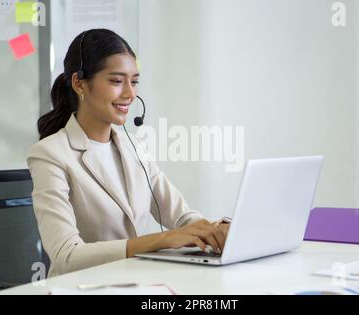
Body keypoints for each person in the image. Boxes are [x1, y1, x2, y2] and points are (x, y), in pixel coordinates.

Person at [27, 29, 229, 277]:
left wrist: (214, 230)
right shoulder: (50, 154)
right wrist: (163, 239)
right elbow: (66, 256)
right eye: (116, 81)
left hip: (132, 283)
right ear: (79, 83)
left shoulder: (135, 148)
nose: (130, 94)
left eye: (133, 81)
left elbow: (182, 216)